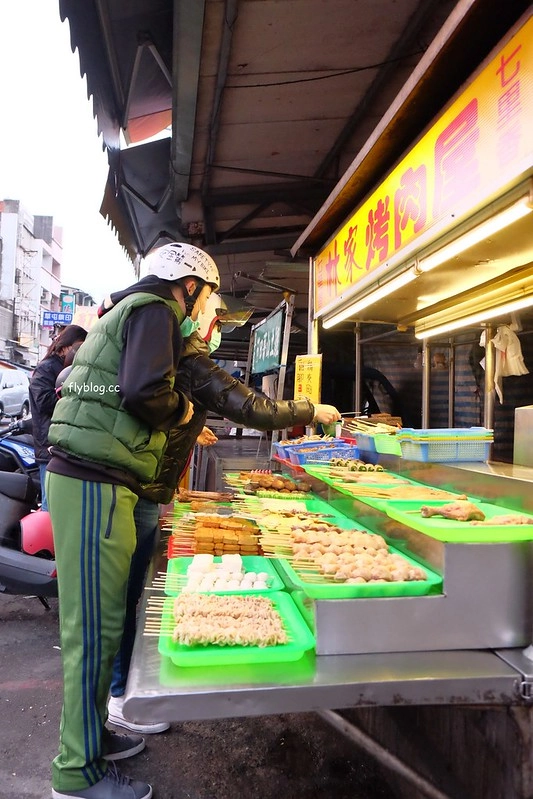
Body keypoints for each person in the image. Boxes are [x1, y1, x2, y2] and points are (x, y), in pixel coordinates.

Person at [101, 291, 341, 734]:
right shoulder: (186, 356)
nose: (214, 330)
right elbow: (249, 406)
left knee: (126, 595)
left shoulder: (175, 353)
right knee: (120, 597)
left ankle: (115, 695)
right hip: (134, 487)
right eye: (214, 319)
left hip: (147, 488)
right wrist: (311, 409)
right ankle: (118, 695)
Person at [46, 242, 220, 799]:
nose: (204, 310)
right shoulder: (157, 310)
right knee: (93, 633)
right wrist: (185, 410)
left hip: (96, 480)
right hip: (95, 482)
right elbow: (145, 391)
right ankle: (76, 775)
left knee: (102, 625)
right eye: (207, 295)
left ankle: (92, 737)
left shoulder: (124, 309)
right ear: (189, 285)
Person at [28, 324, 88, 510]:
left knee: (64, 506)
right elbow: (44, 401)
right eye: (78, 346)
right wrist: (72, 396)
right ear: (65, 346)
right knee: (50, 507)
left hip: (67, 447)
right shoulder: (46, 368)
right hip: (50, 448)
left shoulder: (75, 369)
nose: (80, 351)